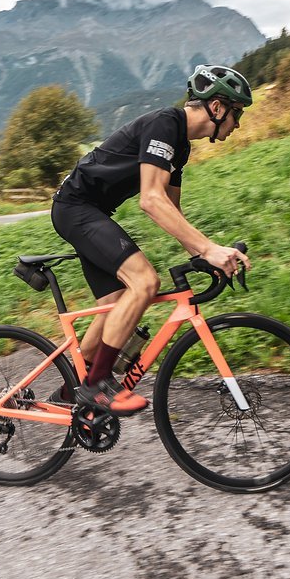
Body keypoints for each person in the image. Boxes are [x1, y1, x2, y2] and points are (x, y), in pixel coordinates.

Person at [51, 64, 253, 416]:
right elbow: (151, 199)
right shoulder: (166, 123)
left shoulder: (181, 147)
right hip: (76, 208)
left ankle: (72, 390)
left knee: (117, 304)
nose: (238, 123)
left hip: (92, 211)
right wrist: (208, 248)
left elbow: (171, 210)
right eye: (237, 114)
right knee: (144, 282)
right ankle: (95, 389)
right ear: (217, 107)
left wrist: (204, 255)